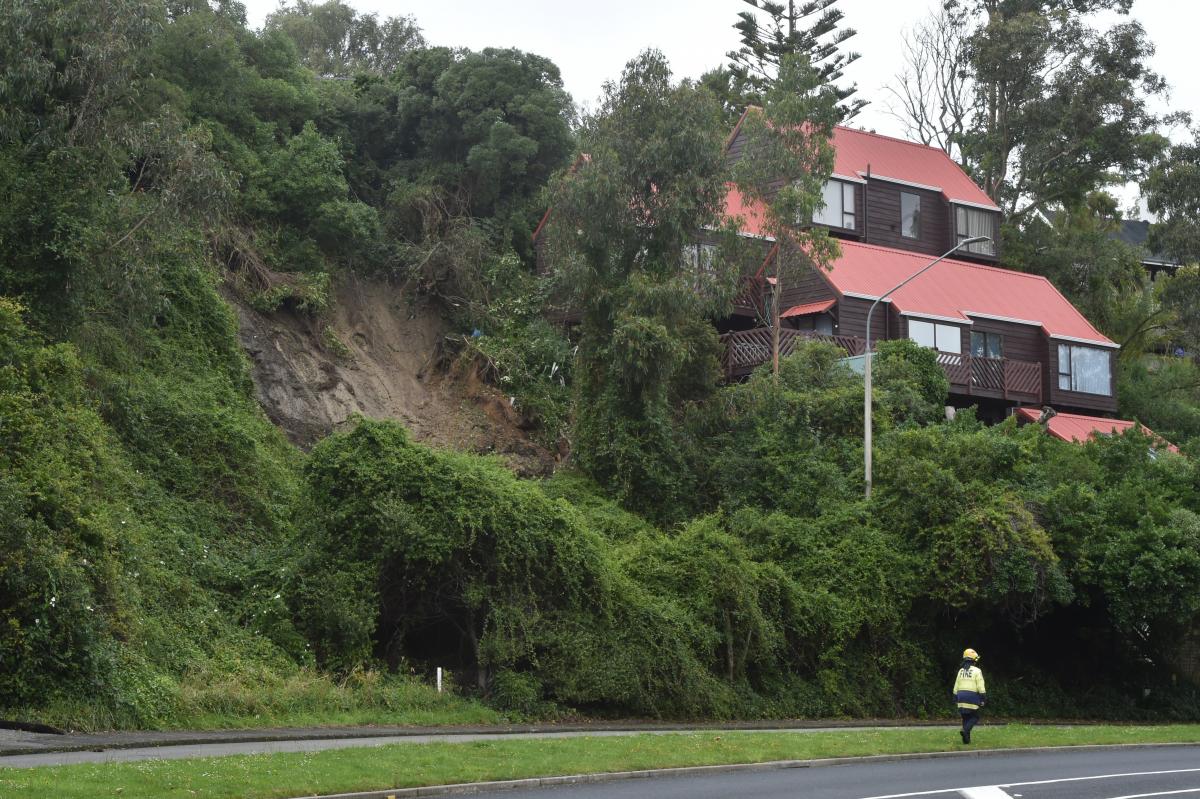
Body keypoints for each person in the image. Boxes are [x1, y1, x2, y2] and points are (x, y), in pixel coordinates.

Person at [953, 648, 986, 744]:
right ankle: (965, 731)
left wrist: (954, 697)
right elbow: (980, 685)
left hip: (960, 696)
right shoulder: (977, 671)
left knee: (965, 718)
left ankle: (966, 740)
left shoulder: (960, 671)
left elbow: (956, 685)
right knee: (975, 717)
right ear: (974, 660)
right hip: (971, 696)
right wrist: (983, 697)